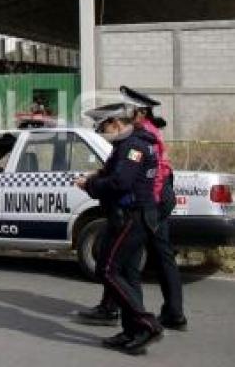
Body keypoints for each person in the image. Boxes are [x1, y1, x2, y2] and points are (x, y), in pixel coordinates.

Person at [78, 87, 187, 332]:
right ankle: (141, 315)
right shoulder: (146, 132)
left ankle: (143, 317)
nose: (126, 114)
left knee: (128, 261)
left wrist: (147, 205)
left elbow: (149, 175)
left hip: (149, 202)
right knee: (136, 260)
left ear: (139, 113)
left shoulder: (141, 136)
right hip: (152, 201)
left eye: (129, 110)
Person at [74, 102, 163, 355]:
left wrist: (90, 187)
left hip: (131, 217)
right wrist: (96, 175)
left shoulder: (133, 146)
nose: (102, 131)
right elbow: (115, 171)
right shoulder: (130, 143)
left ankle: (147, 324)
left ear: (115, 123)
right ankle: (132, 331)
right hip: (131, 216)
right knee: (127, 274)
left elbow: (121, 182)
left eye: (103, 126)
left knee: (108, 270)